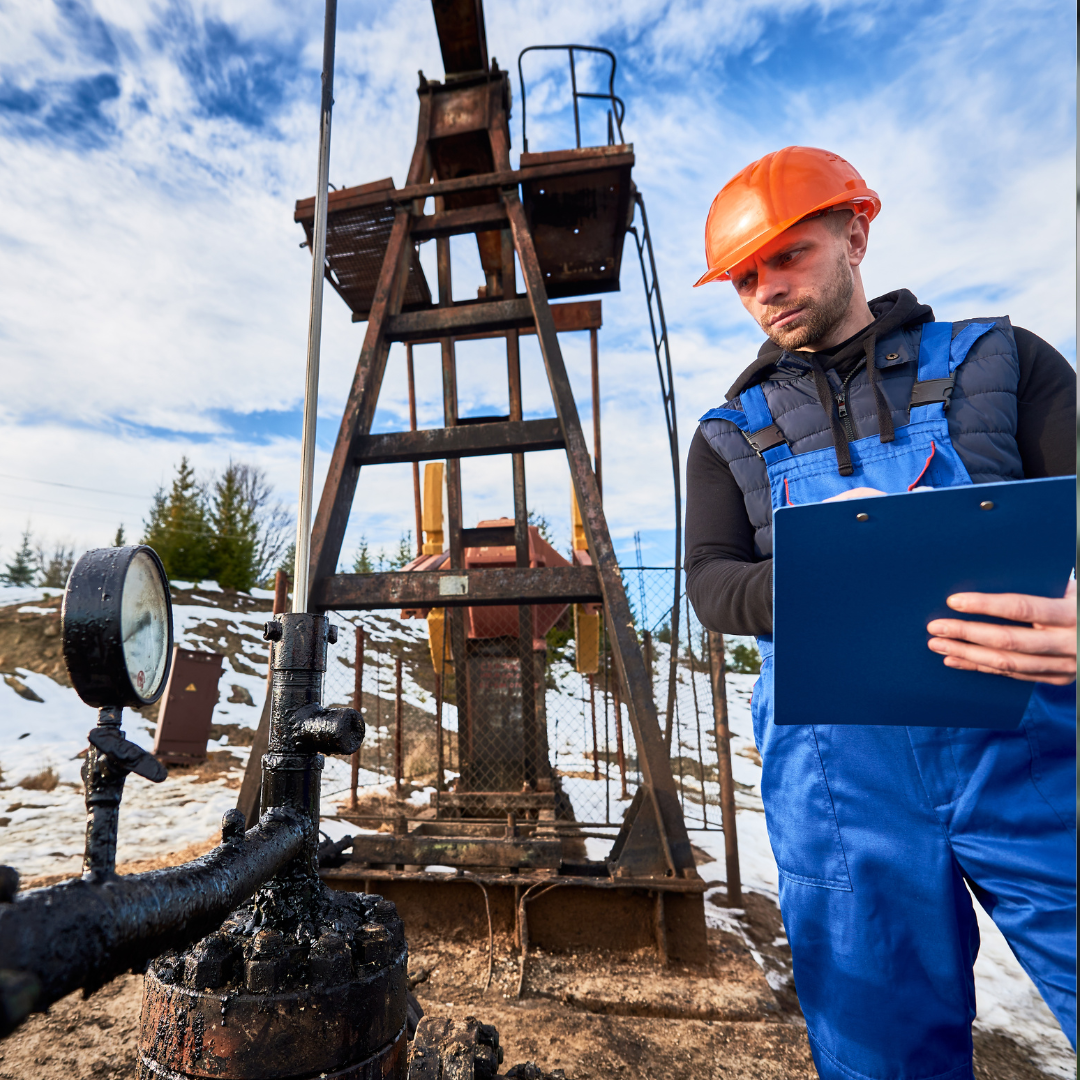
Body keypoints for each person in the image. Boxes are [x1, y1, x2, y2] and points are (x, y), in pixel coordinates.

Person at [685, 145, 1076, 1079]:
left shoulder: (1004, 363)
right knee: (881, 1057)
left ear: (855, 234)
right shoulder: (727, 437)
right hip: (841, 789)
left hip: (1029, 754)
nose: (767, 289)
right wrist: (845, 571)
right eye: (745, 277)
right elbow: (707, 583)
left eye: (790, 256)